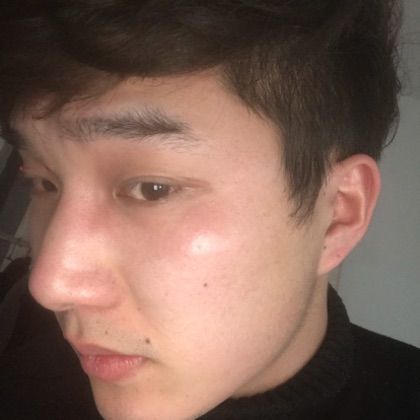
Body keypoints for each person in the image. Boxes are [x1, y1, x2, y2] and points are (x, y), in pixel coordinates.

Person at [0, 1, 419, 419]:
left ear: (337, 215)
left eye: (153, 189)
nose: (50, 285)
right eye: (45, 183)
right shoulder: (15, 331)